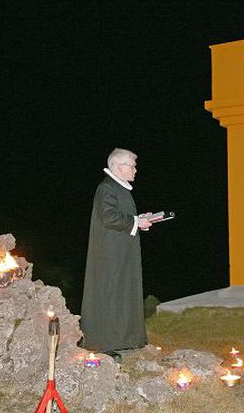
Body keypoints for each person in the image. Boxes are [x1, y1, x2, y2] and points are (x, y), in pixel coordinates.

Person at [81, 148, 153, 362]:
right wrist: (135, 222)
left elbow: (119, 216)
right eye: (132, 166)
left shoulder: (119, 189)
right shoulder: (107, 188)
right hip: (110, 255)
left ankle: (126, 339)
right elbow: (109, 217)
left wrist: (138, 219)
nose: (135, 170)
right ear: (120, 167)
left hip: (121, 252)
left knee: (124, 292)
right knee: (110, 293)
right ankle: (104, 343)